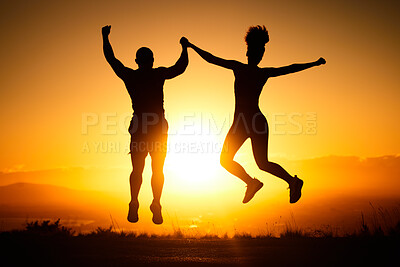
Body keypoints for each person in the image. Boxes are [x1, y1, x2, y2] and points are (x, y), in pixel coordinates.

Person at [184, 25, 325, 204]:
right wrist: (191, 46)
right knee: (236, 161)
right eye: (252, 50)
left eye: (257, 51)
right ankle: (260, 183)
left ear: (256, 54)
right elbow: (212, 59)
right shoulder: (251, 70)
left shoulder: (249, 70)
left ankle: (278, 182)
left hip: (250, 122)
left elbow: (290, 68)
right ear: (249, 52)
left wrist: (313, 63)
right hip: (246, 122)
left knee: (250, 162)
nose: (253, 54)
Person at [102, 25, 189, 224]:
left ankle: (135, 202)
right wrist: (185, 49)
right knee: (157, 169)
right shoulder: (158, 74)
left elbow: (111, 60)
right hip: (157, 128)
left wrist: (105, 38)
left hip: (141, 127)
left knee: (138, 169)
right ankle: (155, 203)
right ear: (152, 61)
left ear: (137, 61)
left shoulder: (131, 76)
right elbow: (180, 68)